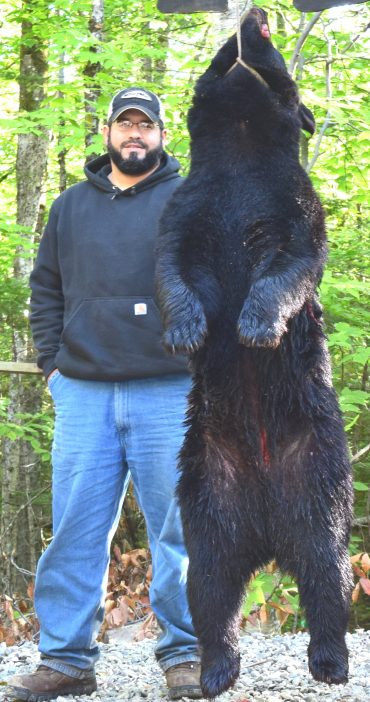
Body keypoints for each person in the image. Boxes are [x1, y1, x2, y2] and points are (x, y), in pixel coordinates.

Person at [7, 87, 202, 702]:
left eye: (147, 125)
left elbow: (220, 285)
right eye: (126, 124)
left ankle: (188, 654)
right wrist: (51, 367)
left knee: (180, 530)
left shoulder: (191, 202)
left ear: (164, 134)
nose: (135, 134)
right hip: (85, 393)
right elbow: (46, 289)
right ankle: (66, 660)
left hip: (171, 389)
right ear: (107, 131)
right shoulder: (69, 207)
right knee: (74, 529)